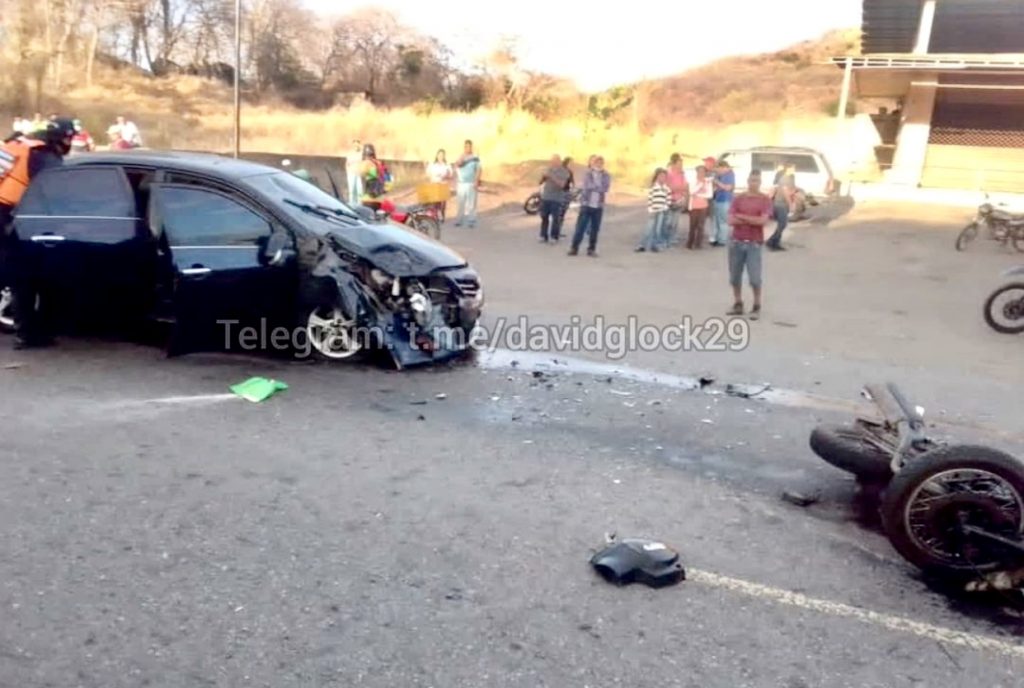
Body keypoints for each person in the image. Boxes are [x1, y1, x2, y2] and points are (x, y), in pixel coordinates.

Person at [1, 118, 75, 348]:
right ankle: (30, 334)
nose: (69, 143)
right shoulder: (45, 156)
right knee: (26, 278)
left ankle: (29, 332)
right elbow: (58, 190)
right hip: (13, 216)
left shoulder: (19, 144)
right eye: (68, 138)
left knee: (16, 274)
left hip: (6, 211)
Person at [726, 170, 773, 320]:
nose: (754, 183)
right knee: (734, 276)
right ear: (747, 181)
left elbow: (763, 222)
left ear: (760, 182)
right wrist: (752, 219)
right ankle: (738, 303)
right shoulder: (739, 198)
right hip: (737, 241)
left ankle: (757, 305)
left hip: (754, 243)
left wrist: (741, 216)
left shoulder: (765, 200)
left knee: (754, 278)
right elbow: (730, 220)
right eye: (752, 180)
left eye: (757, 181)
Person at [569, 155, 611, 257]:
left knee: (595, 229)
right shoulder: (588, 174)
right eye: (597, 162)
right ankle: (574, 248)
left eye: (601, 163)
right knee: (580, 228)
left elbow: (605, 188)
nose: (599, 164)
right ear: (593, 163)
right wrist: (597, 187)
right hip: (586, 204)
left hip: (598, 206)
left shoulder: (606, 175)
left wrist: (596, 187)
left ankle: (591, 249)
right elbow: (587, 186)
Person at [636, 168, 671, 252]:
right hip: (653, 211)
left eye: (664, 176)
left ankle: (654, 245)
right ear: (657, 177)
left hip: (661, 211)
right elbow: (650, 199)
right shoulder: (653, 187)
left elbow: (668, 200)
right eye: (660, 176)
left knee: (658, 229)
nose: (662, 178)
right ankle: (642, 245)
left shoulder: (666, 189)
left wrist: (664, 207)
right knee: (649, 228)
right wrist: (650, 209)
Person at [538, 154, 570, 243]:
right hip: (546, 197)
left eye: (555, 161)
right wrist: (543, 177)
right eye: (551, 161)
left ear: (559, 161)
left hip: (556, 198)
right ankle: (543, 235)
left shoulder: (564, 172)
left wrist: (551, 177)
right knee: (544, 217)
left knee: (555, 218)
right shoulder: (549, 169)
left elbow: (562, 185)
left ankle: (554, 236)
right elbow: (540, 182)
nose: (553, 162)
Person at [767, 163, 795, 251]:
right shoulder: (785, 178)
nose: (794, 170)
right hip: (780, 204)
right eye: (793, 168)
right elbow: (785, 192)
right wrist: (790, 204)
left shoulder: (788, 178)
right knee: (782, 224)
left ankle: (774, 241)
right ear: (788, 169)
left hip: (781, 203)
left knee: (782, 224)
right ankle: (773, 242)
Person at [454, 140, 481, 228]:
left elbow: (478, 169)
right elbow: (456, 166)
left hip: (471, 183)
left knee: (471, 203)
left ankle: (471, 220)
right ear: (464, 147)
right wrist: (462, 157)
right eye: (466, 146)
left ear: (471, 147)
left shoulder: (475, 158)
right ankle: (459, 220)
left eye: (469, 146)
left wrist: (476, 181)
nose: (467, 148)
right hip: (461, 183)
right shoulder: (461, 157)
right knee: (460, 202)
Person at [664, 153, 689, 247]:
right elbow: (668, 188)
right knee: (669, 222)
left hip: (679, 200)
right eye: (679, 164)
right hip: (670, 200)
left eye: (681, 164)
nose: (681, 166)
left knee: (675, 221)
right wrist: (679, 188)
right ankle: (667, 238)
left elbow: (686, 186)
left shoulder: (682, 174)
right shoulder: (668, 173)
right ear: (674, 164)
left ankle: (672, 237)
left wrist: (681, 190)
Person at [687, 164, 714, 250]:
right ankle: (690, 243)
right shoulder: (693, 181)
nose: (701, 173)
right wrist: (700, 185)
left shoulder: (708, 182)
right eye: (699, 172)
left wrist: (698, 194)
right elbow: (691, 192)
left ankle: (698, 243)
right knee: (692, 225)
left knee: (701, 225)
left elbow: (709, 195)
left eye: (703, 172)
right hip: (694, 206)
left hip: (703, 206)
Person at [710, 158, 736, 246]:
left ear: (723, 167)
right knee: (717, 220)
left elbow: (728, 188)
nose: (717, 171)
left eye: (718, 169)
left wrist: (717, 182)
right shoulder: (719, 175)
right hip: (718, 199)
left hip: (725, 200)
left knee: (723, 221)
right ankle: (716, 238)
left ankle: (722, 240)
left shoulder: (729, 175)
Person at [359, 143, 391, 210]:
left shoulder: (366, 164)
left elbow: (368, 176)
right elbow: (388, 178)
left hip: (368, 198)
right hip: (379, 198)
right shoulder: (379, 163)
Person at [426, 149, 453, 222]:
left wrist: (446, 176)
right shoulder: (432, 164)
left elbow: (451, 175)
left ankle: (442, 216)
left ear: (444, 156)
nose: (440, 156)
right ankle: (435, 217)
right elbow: (428, 174)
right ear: (437, 155)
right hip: (434, 184)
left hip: (443, 184)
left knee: (443, 204)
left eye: (442, 155)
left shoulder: (447, 165)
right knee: (435, 203)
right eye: (439, 155)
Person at [557, 156, 576, 229]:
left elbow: (572, 183)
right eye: (571, 163)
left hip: (562, 192)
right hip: (563, 193)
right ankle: (556, 231)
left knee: (560, 212)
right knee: (561, 212)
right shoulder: (567, 171)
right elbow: (572, 183)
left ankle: (556, 231)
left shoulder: (559, 170)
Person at [346, 139, 363, 204]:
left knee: (359, 189)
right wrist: (348, 172)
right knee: (351, 189)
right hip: (351, 173)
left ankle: (359, 203)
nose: (356, 146)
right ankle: (351, 203)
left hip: (358, 173)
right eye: (355, 145)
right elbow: (347, 164)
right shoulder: (350, 154)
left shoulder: (361, 154)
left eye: (357, 145)